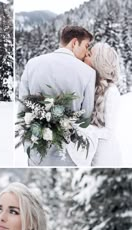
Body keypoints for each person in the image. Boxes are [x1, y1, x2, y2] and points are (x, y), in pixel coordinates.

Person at [19, 25, 96, 166]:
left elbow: (22, 109)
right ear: (74, 43)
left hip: (36, 152)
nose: (87, 52)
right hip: (68, 155)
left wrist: (28, 144)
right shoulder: (87, 72)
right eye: (86, 46)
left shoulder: (32, 64)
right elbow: (85, 119)